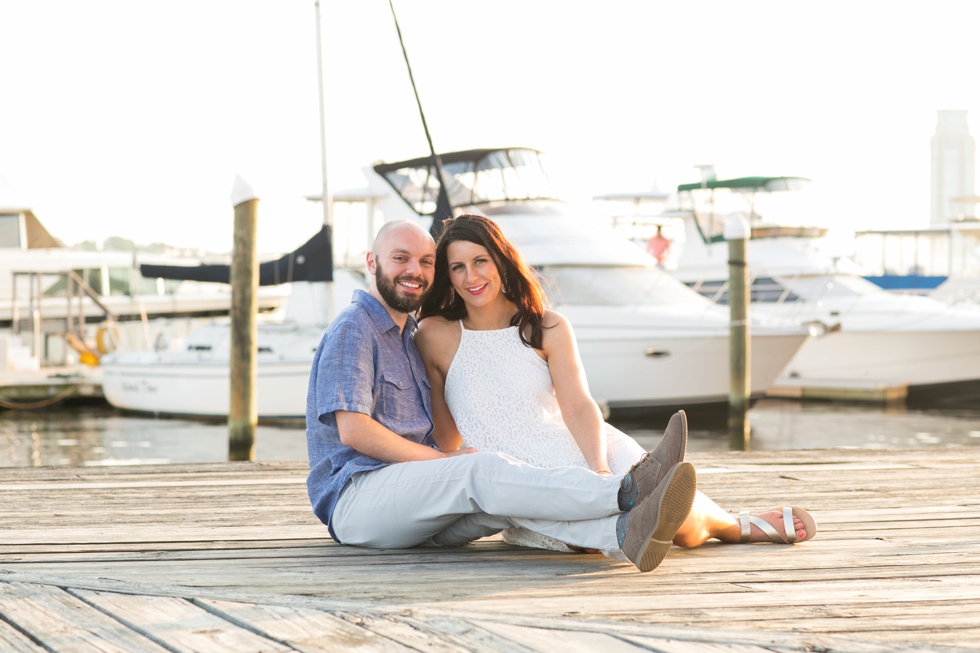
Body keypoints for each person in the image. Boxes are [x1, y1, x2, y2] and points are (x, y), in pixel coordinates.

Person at [305, 219, 698, 573]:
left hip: (410, 499)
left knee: (509, 505)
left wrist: (446, 460)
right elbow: (353, 430)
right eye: (400, 258)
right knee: (478, 470)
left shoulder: (408, 334)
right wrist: (444, 462)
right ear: (372, 263)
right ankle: (626, 491)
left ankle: (622, 534)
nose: (415, 271)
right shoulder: (355, 328)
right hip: (358, 499)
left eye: (426, 262)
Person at [415, 214, 817, 550]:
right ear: (447, 277)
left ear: (501, 261)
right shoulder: (434, 336)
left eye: (480, 261)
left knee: (672, 513)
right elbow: (446, 434)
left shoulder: (547, 326)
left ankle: (730, 527)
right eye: (458, 267)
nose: (472, 276)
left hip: (586, 451)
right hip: (519, 480)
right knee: (602, 531)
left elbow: (577, 405)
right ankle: (719, 524)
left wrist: (600, 471)